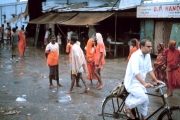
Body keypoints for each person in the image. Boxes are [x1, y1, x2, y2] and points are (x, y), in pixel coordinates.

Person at [124, 39, 162, 120]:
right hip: (132, 82)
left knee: (146, 101)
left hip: (140, 83)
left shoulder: (147, 55)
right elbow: (136, 73)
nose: (150, 48)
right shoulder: (135, 56)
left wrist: (156, 80)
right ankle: (127, 108)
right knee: (143, 98)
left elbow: (149, 70)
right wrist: (144, 83)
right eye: (148, 46)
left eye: (151, 46)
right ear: (141, 46)